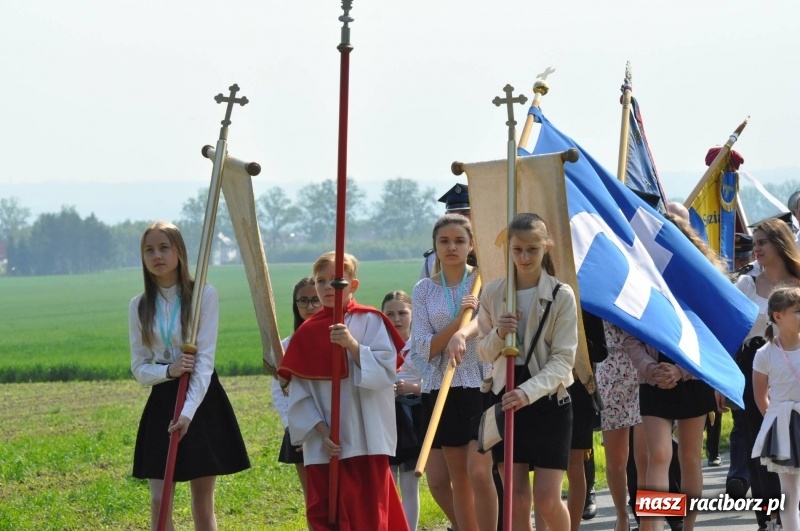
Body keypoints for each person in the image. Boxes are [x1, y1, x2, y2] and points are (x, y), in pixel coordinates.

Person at [129, 221, 250, 531]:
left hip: (201, 398)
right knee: (159, 498)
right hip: (163, 399)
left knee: (202, 500)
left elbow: (204, 362)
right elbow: (140, 368)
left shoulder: (203, 295)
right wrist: (168, 370)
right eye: (149, 250)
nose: (157, 256)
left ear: (179, 251)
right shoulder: (139, 305)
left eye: (164, 248)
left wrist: (187, 413)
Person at [278, 251, 409, 531]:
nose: (328, 288)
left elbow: (386, 373)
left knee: (368, 514)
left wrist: (352, 345)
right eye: (321, 281)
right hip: (326, 445)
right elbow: (299, 395)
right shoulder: (306, 333)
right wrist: (322, 432)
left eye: (336, 281)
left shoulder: (370, 321)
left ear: (353, 285)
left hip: (366, 438)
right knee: (327, 514)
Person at [477, 212, 578, 531]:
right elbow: (482, 351)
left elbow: (564, 359)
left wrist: (528, 392)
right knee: (516, 499)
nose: (523, 256)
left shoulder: (561, 295)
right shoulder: (493, 292)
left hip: (549, 402)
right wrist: (498, 333)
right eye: (517, 249)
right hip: (506, 398)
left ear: (545, 247)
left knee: (547, 498)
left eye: (532, 249)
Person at [624, 212, 723, 531]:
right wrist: (651, 369)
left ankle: (687, 526)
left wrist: (681, 371)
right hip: (652, 380)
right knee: (659, 456)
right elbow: (630, 334)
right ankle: (650, 526)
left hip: (691, 378)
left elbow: (712, 337)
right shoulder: (638, 278)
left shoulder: (700, 280)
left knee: (690, 457)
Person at [413, 213, 497, 531]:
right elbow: (425, 347)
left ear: (471, 245)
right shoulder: (423, 290)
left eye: (459, 241)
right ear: (434, 246)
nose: (452, 247)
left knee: (480, 471)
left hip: (481, 386)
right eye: (444, 241)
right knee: (458, 477)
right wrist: (458, 321)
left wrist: (466, 330)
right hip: (442, 389)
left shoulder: (485, 279)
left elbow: (487, 321)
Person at [732, 217, 800, 531]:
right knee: (760, 447)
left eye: (762, 242)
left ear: (780, 243)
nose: (756, 248)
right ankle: (768, 520)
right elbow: (731, 332)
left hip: (794, 370)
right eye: (755, 242)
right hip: (752, 368)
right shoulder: (746, 283)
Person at [271, 277, 322, 509]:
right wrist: (294, 429)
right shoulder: (286, 346)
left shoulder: (337, 339)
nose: (310, 307)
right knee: (314, 498)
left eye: (315, 300)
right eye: (303, 301)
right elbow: (280, 392)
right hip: (300, 430)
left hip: (335, 428)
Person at [752, 286, 800, 531]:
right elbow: (761, 398)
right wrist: (778, 427)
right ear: (778, 316)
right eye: (798, 311)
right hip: (783, 425)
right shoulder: (764, 353)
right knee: (789, 492)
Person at [597, 320, 646, 531]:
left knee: (645, 457)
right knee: (616, 461)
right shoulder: (590, 291)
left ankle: (647, 519)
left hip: (644, 367)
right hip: (609, 370)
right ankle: (622, 516)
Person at [383, 290, 423, 531]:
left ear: (412, 315)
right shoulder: (379, 345)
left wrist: (412, 387)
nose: (396, 319)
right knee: (387, 483)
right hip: (385, 417)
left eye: (402, 313)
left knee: (409, 483)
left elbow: (433, 382)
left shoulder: (419, 346)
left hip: (412, 416)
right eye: (390, 314)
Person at [420, 183, 472, 280]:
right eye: (453, 214)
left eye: (465, 213)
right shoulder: (431, 258)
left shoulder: (487, 253)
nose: (458, 218)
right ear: (446, 215)